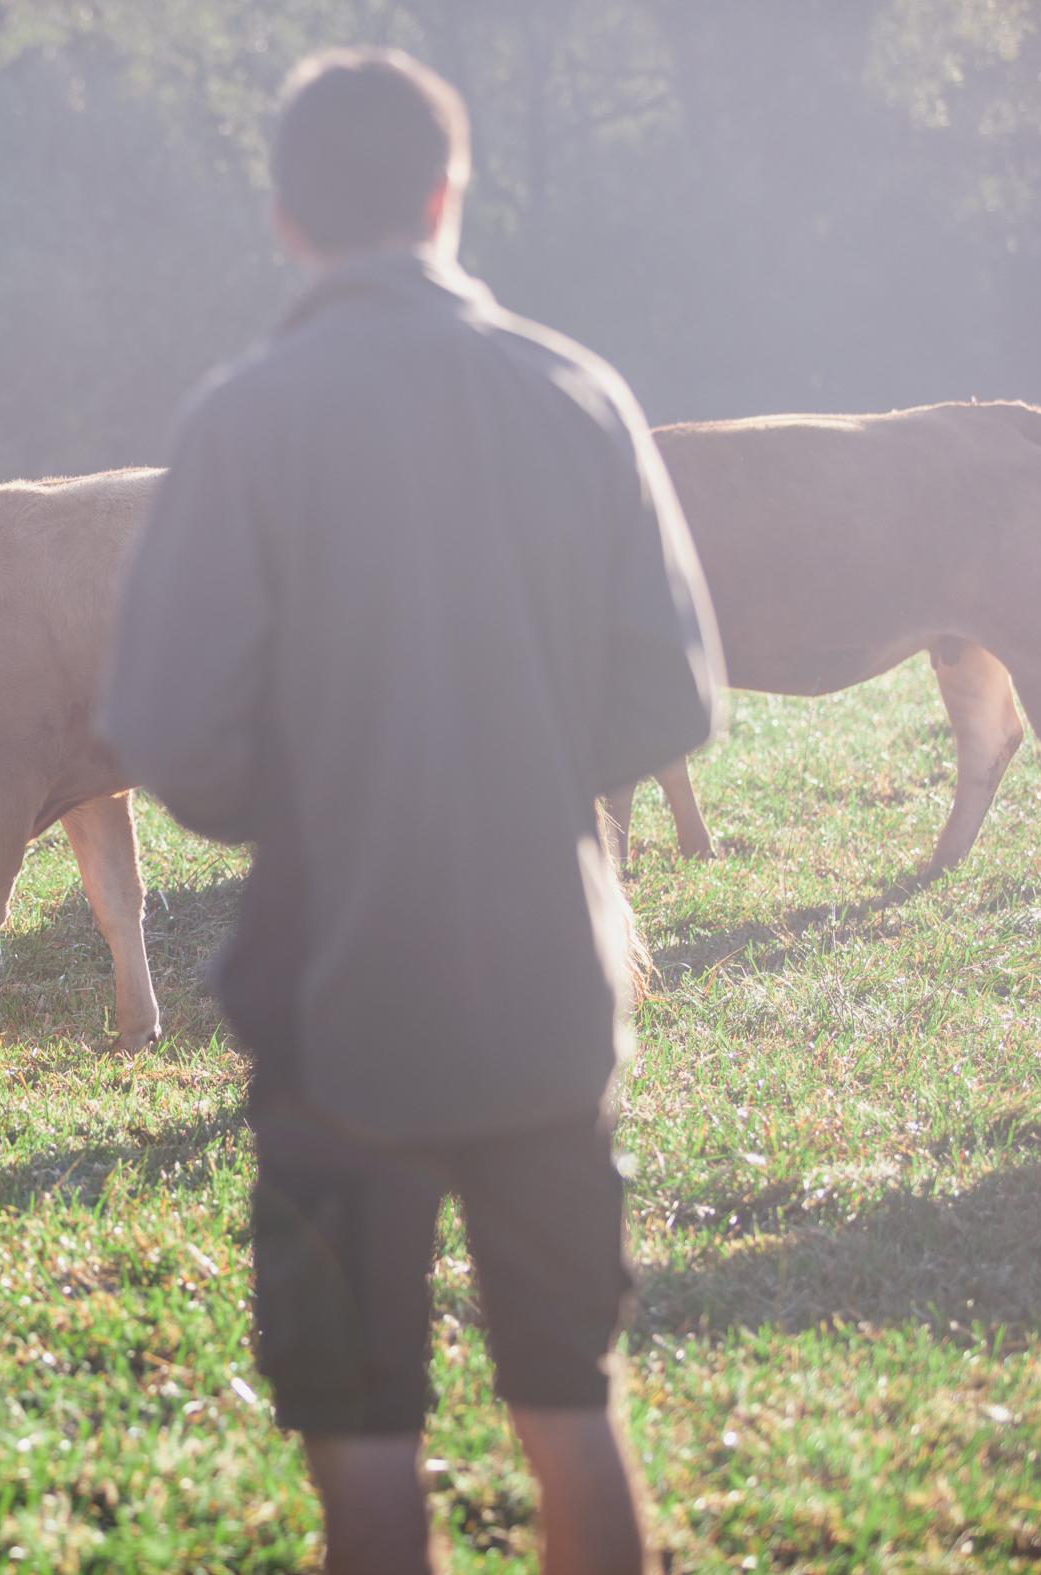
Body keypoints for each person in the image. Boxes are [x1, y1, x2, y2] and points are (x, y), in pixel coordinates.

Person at [99, 47, 725, 1575]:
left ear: (281, 220)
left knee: (365, 1437)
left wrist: (312, 789)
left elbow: (169, 736)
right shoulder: (580, 393)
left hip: (331, 1023)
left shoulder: (242, 421)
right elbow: (679, 702)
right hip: (548, 1008)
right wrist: (512, 758)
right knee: (571, 1406)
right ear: (451, 195)